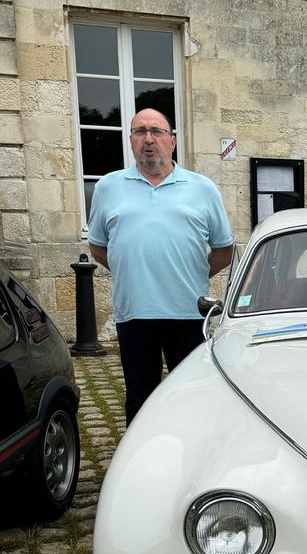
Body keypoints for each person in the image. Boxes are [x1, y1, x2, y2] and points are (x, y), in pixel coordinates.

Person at [88, 108, 234, 425]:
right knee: (140, 399)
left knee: (193, 396)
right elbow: (97, 246)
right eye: (140, 131)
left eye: (156, 131)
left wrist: (191, 273)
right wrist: (132, 270)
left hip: (188, 314)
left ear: (172, 141)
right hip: (134, 314)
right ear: (131, 140)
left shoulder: (203, 188)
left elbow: (224, 249)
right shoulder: (108, 188)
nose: (148, 139)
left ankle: (192, 453)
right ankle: (141, 456)